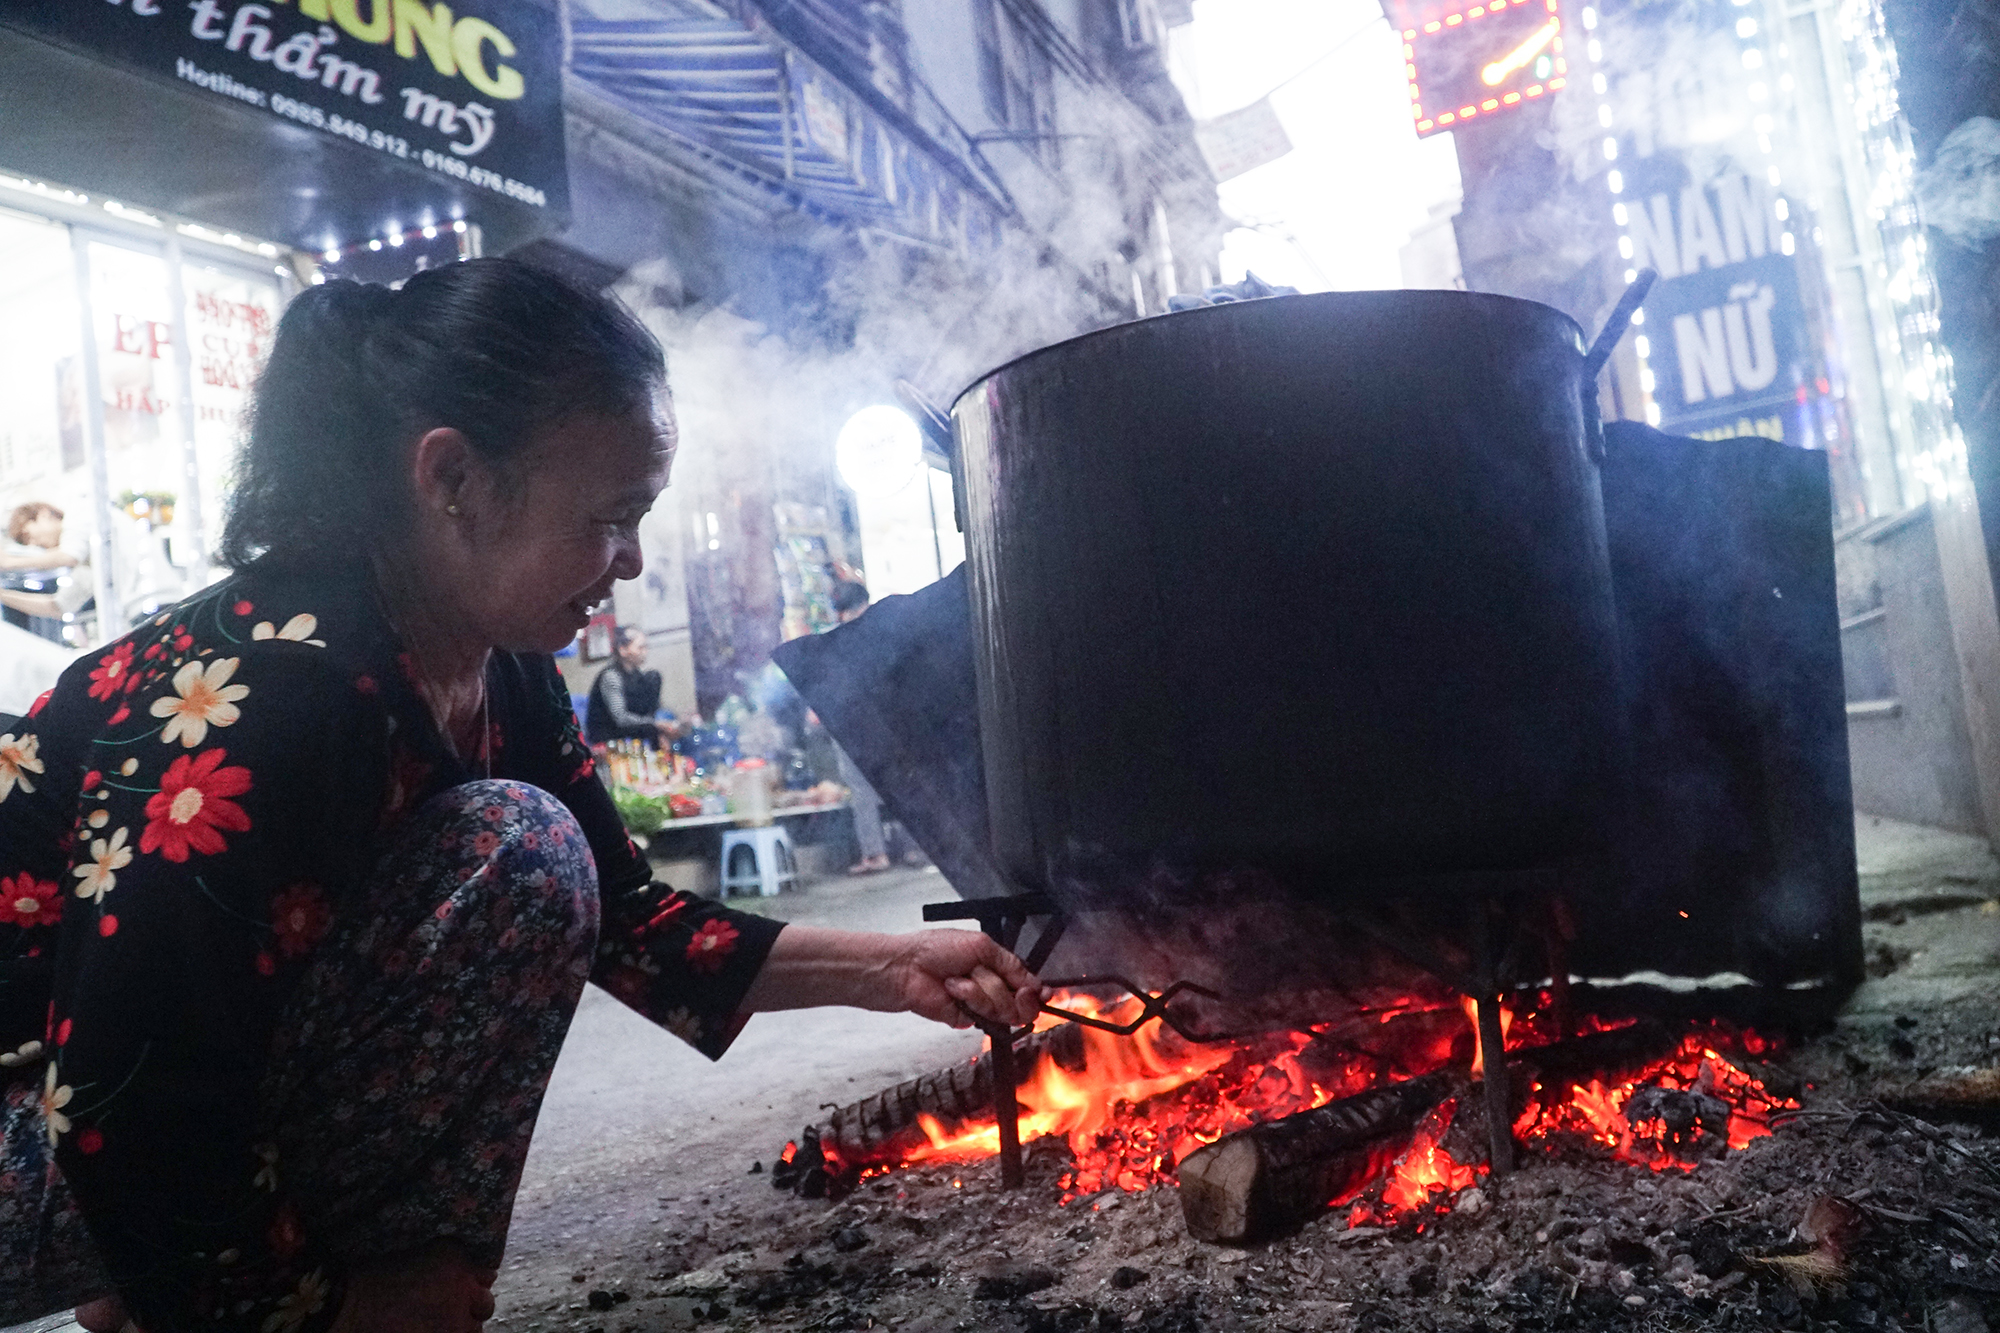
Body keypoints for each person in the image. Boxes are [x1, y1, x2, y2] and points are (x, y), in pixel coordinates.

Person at [0, 260, 1042, 1333]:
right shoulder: (281, 692)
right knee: (524, 849)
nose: (632, 561)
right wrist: (324, 1308)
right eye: (611, 517)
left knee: (541, 861)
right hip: (54, 1132)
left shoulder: (496, 661)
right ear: (451, 479)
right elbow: (134, 1097)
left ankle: (204, 1285)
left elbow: (631, 923)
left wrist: (898, 967)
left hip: (112, 1131)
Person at [827, 580, 892, 875]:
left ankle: (876, 854)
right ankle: (915, 849)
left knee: (861, 786)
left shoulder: (857, 634)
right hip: (877, 718)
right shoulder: (884, 628)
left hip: (859, 721)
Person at [584, 625, 686, 747]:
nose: (645, 652)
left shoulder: (638, 676)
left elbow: (650, 710)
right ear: (623, 650)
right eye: (640, 647)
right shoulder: (611, 676)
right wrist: (656, 725)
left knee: (654, 677)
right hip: (609, 739)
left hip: (632, 736)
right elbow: (621, 718)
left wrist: (662, 728)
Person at [1, 502, 83, 642]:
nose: (34, 544)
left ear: (43, 514)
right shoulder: (84, 565)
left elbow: (69, 555)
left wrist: (10, 563)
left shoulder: (78, 519)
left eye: (28, 535)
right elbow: (58, 606)